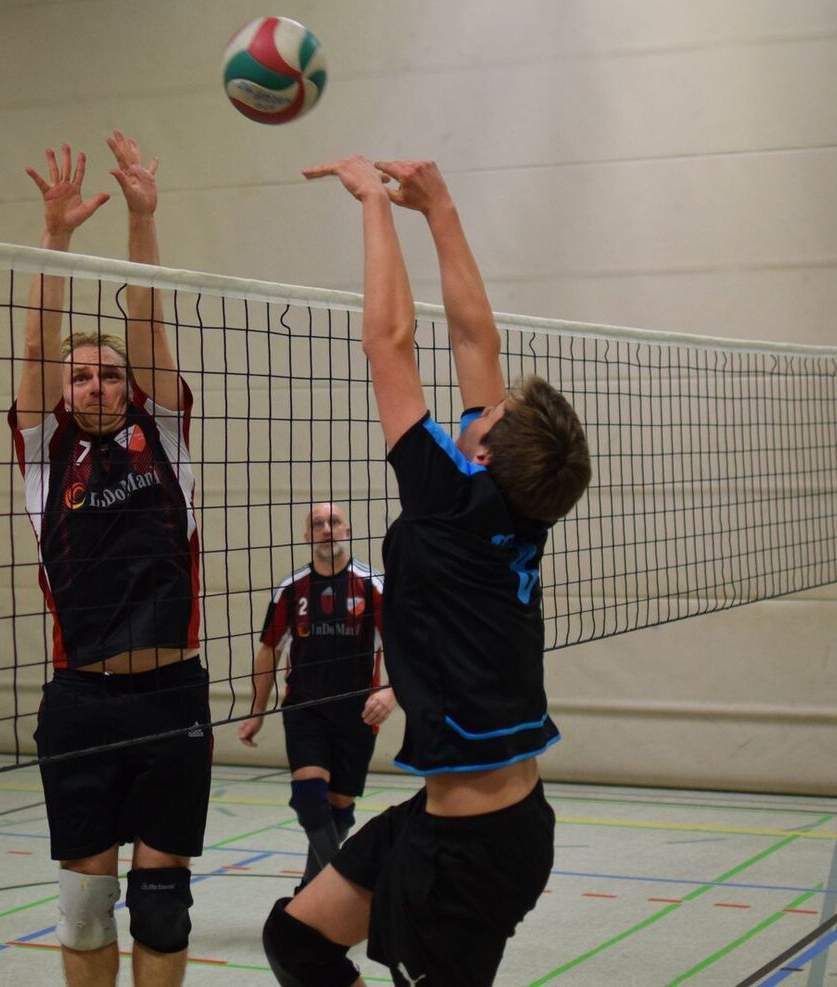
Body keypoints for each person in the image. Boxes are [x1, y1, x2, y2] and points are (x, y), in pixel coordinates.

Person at [260, 156, 591, 987]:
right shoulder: (519, 503)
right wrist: (439, 206)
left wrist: (375, 204)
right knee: (297, 939)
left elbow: (389, 340)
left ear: (483, 453)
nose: (480, 406)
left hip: (475, 851)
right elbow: (478, 337)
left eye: (490, 415)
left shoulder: (449, 499)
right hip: (463, 818)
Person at [10, 131, 210, 987]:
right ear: (62, 390)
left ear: (129, 386)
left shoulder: (163, 436)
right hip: (82, 701)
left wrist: (140, 218)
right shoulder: (44, 458)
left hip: (171, 694)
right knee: (86, 908)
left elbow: (150, 316)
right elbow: (34, 346)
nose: (94, 383)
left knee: (162, 904)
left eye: (107, 374)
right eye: (80, 376)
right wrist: (54, 236)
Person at [239, 502, 394, 889]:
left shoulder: (373, 585)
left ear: (348, 530)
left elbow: (401, 646)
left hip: (357, 713)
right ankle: (343, 885)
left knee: (339, 807)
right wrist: (257, 710)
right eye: (318, 523)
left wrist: (392, 692)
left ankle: (310, 891)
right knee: (310, 799)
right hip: (304, 708)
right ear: (308, 536)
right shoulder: (292, 590)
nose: (327, 528)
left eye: (334, 522)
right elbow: (268, 651)